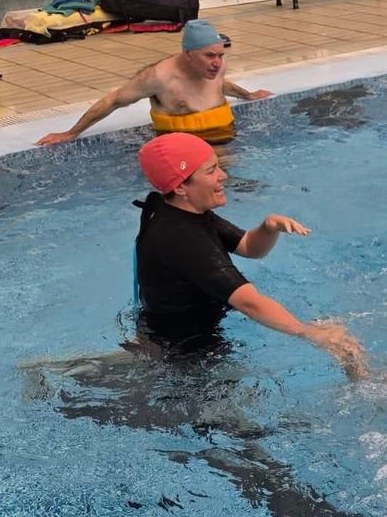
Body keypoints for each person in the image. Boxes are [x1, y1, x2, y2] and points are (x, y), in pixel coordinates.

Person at [133, 132, 367, 378]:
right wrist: (308, 332)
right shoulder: (184, 239)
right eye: (211, 171)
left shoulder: (178, 209)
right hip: (184, 354)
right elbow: (249, 302)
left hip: (167, 331)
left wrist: (268, 227)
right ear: (181, 187)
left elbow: (248, 247)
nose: (223, 175)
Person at [35, 19, 272, 147]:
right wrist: (70, 133)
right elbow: (114, 100)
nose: (217, 63)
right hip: (180, 147)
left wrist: (248, 95)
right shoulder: (159, 77)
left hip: (223, 138)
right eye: (210, 56)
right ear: (189, 54)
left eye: (220, 55)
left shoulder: (216, 66)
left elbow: (220, 83)